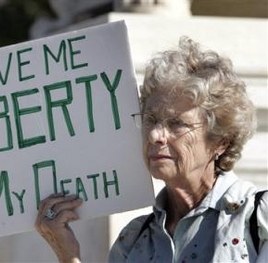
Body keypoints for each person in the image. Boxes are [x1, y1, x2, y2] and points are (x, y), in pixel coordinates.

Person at [34, 36, 268, 262]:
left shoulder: (258, 219)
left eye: (177, 123)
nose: (155, 135)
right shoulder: (133, 239)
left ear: (221, 141)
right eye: (151, 119)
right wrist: (68, 255)